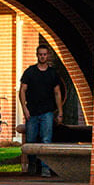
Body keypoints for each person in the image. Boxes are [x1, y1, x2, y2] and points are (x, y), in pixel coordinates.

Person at [18, 44, 64, 177]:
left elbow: (57, 93)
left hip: (47, 112)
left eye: (45, 54)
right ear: (37, 55)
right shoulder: (30, 72)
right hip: (32, 111)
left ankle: (45, 167)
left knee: (46, 139)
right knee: (31, 139)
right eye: (40, 54)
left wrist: (60, 112)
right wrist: (24, 108)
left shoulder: (52, 73)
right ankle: (32, 165)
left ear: (47, 55)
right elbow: (22, 90)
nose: (42, 56)